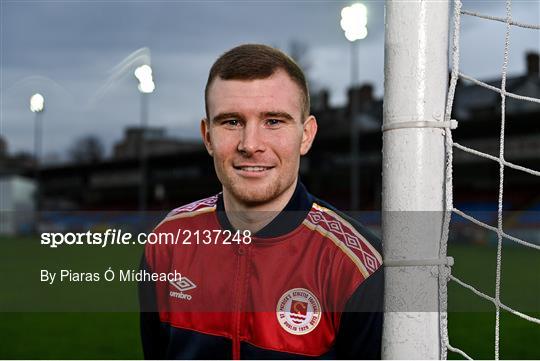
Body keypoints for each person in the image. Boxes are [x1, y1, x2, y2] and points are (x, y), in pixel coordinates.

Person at [139, 44, 383, 359]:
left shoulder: (357, 267)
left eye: (273, 121)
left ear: (306, 135)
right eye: (231, 122)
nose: (250, 145)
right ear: (208, 136)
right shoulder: (167, 243)